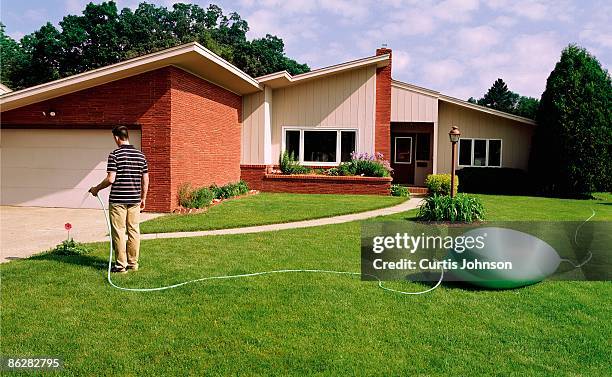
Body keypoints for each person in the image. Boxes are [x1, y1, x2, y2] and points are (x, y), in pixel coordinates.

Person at [89, 126, 149, 273]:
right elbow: (146, 179)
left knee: (119, 232)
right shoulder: (140, 155)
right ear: (127, 136)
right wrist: (143, 198)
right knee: (134, 230)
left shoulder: (114, 155)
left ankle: (120, 266)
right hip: (134, 199)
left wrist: (96, 189)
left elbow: (111, 179)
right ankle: (133, 264)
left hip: (118, 200)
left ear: (116, 137)